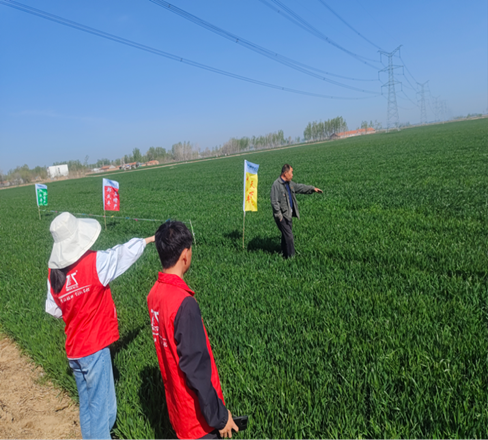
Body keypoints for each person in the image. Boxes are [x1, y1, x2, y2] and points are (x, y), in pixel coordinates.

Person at [44, 211, 155, 440]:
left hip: (74, 350)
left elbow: (54, 310)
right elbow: (122, 254)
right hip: (94, 348)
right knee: (102, 409)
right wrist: (150, 239)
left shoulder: (53, 274)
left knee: (87, 405)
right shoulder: (94, 262)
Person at [147, 221, 239, 440]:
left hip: (178, 409)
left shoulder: (154, 294)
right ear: (185, 255)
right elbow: (194, 367)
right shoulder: (184, 303)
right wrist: (219, 416)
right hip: (198, 419)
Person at [270, 164, 322, 258]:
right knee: (289, 237)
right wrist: (280, 217)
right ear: (285, 173)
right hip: (282, 217)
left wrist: (313, 189)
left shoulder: (289, 183)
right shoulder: (276, 185)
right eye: (291, 172)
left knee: (285, 236)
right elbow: (274, 202)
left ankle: (284, 254)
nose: (292, 174)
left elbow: (300, 187)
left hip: (288, 215)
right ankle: (291, 257)